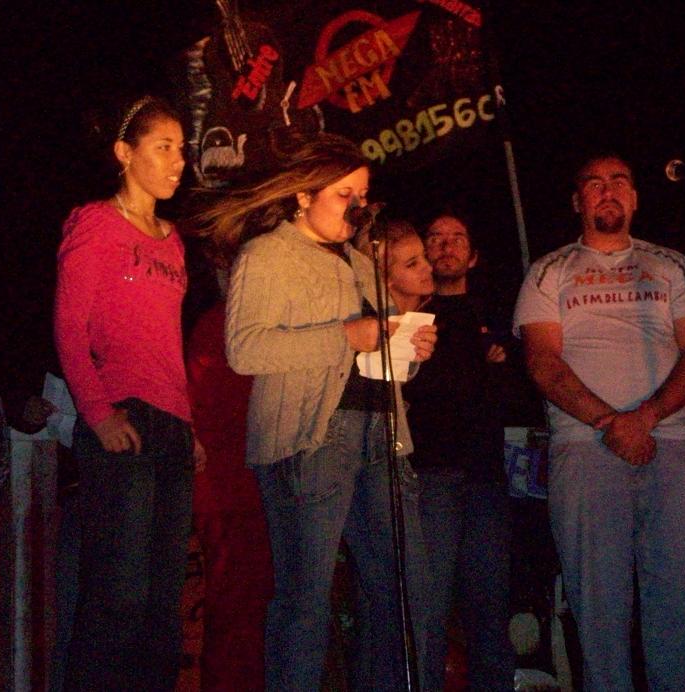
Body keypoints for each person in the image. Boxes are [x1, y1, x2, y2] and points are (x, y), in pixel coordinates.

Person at [197, 132, 436, 691]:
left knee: (406, 591)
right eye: (343, 194)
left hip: (382, 434)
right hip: (312, 439)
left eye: (363, 196)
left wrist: (409, 348)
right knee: (306, 601)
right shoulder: (267, 255)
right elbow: (246, 349)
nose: (357, 207)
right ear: (304, 196)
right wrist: (346, 335)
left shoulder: (359, 263)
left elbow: (374, 354)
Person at [514, 154, 685, 690]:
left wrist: (646, 417)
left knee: (682, 600)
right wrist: (610, 422)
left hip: (674, 440)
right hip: (587, 445)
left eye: (620, 181)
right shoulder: (549, 270)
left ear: (635, 197)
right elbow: (543, 362)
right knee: (598, 604)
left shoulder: (672, 264)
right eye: (595, 183)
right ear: (577, 200)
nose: (608, 191)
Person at [53, 95, 200, 691]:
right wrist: (98, 413)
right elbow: (70, 326)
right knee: (119, 596)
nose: (178, 161)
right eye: (163, 147)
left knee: (163, 604)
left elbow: (168, 341)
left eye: (182, 149)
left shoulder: (173, 239)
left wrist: (190, 428)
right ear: (124, 152)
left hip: (171, 426)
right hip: (124, 417)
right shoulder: (95, 224)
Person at [400, 214, 516, 692]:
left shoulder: (495, 317)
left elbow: (515, 392)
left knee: (490, 609)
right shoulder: (408, 317)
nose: (446, 247)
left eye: (457, 239)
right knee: (427, 611)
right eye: (436, 239)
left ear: (473, 255)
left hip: (486, 478)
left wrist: (497, 367)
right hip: (429, 477)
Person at [186, 295, 273, 692]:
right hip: (230, 486)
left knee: (258, 610)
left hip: (258, 482)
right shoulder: (222, 322)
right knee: (236, 609)